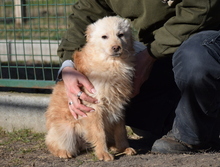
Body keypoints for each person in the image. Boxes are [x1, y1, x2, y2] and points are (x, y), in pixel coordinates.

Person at [56, 0, 220, 154]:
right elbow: (84, 16)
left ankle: (190, 135)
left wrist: (150, 54)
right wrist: (68, 68)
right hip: (158, 46)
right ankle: (185, 122)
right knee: (119, 92)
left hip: (205, 34)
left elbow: (200, 9)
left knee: (196, 58)